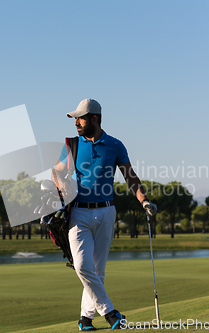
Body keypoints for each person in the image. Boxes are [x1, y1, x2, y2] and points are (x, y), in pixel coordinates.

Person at [52, 98, 157, 331]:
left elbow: (131, 177)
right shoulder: (72, 145)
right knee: (82, 266)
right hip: (78, 213)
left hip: (107, 212)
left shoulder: (115, 145)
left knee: (97, 270)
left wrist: (144, 201)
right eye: (76, 119)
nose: (76, 123)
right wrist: (62, 185)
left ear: (95, 119)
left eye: (80, 118)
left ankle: (85, 319)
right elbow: (57, 172)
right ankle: (110, 313)